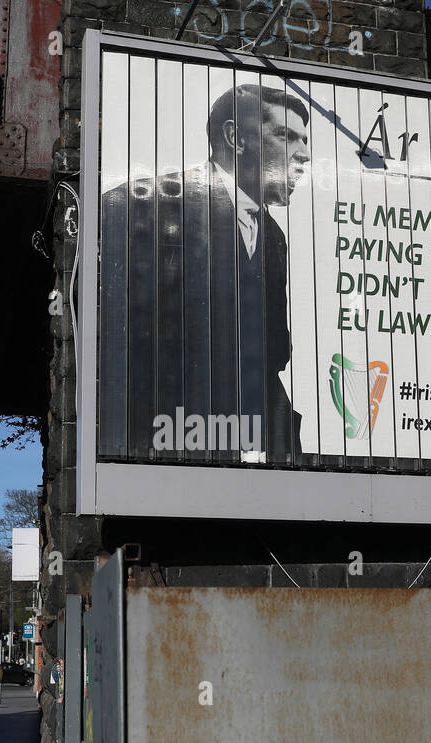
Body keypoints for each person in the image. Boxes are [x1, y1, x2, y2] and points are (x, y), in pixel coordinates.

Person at [101, 83, 312, 462]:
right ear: (235, 137)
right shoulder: (137, 206)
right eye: (285, 135)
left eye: (305, 140)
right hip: (165, 443)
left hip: (248, 442)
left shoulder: (274, 237)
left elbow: (273, 350)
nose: (304, 154)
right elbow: (119, 344)